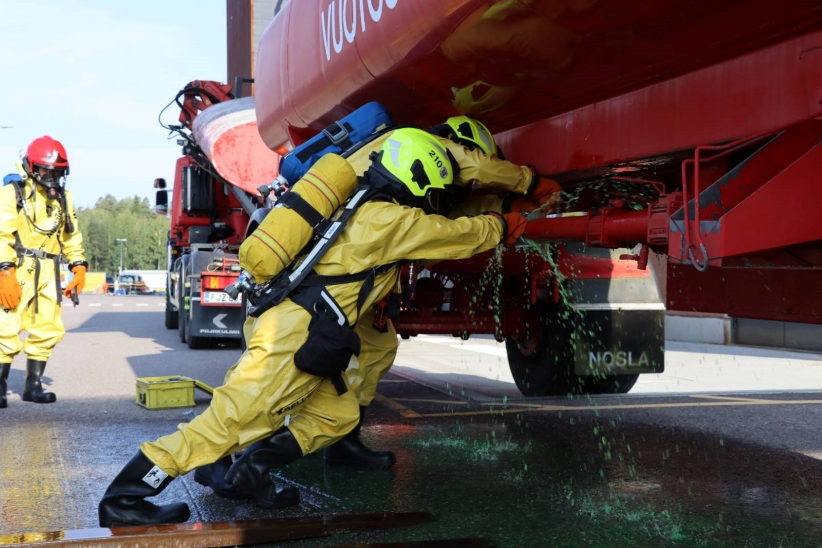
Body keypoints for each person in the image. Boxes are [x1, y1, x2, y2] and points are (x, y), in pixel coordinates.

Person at [97, 128, 527, 527]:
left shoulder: (362, 204)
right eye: (438, 190)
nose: (439, 199)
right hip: (295, 332)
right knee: (231, 420)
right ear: (420, 182)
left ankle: (253, 467)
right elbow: (460, 235)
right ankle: (126, 497)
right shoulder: (391, 220)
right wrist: (504, 222)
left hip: (304, 324)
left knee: (334, 414)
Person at [298, 116, 562, 470]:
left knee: (376, 346)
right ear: (462, 143)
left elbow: (446, 216)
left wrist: (499, 209)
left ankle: (341, 441)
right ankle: (246, 453)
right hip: (329, 272)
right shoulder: (435, 148)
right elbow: (467, 188)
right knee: (288, 364)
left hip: (348, 264)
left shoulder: (399, 169)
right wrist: (529, 182)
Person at [0, 136, 86, 409]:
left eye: (57, 172)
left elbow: (70, 235)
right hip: (17, 266)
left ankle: (33, 386)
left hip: (49, 270)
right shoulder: (11, 194)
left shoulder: (63, 199)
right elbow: (1, 235)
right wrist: (5, 271)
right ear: (30, 168)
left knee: (47, 327)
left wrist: (78, 265)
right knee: (5, 327)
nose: (51, 178)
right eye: (45, 171)